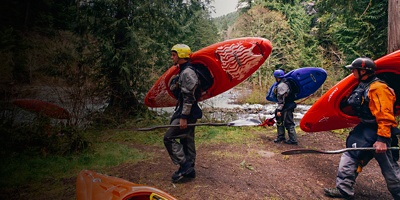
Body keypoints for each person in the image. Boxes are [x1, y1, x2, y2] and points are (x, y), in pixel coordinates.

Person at [324, 57, 400, 199]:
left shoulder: (379, 88)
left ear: (364, 71)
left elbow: (385, 116)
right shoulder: (362, 85)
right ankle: (343, 189)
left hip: (380, 131)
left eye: (354, 69)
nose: (352, 71)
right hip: (365, 128)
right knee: (350, 155)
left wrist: (382, 139)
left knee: (389, 167)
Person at [164, 44, 202, 183]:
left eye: (174, 55)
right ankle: (190, 170)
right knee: (186, 139)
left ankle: (185, 166)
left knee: (168, 138)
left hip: (188, 112)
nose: (172, 57)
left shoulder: (187, 73)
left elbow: (189, 97)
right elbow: (179, 91)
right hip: (188, 111)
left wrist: (184, 117)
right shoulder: (183, 71)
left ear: (180, 56)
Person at [272, 69, 298, 145]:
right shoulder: (287, 82)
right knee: (279, 121)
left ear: (277, 77)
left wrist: (279, 110)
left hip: (286, 106)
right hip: (288, 105)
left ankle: (293, 140)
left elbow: (281, 99)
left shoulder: (281, 86)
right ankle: (281, 136)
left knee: (289, 123)